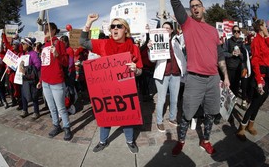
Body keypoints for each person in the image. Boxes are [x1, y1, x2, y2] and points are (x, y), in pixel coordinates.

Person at [169, 0, 230, 156]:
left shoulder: (213, 31)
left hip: (213, 78)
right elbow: (175, 2)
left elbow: (219, 55)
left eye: (198, 5)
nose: (195, 7)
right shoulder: (187, 24)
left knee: (211, 113)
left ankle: (206, 140)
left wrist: (225, 77)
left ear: (203, 8)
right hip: (194, 79)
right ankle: (181, 141)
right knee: (187, 114)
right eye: (192, 5)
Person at [79, 14, 143, 154]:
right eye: (112, 26)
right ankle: (103, 141)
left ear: (125, 30)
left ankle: (130, 141)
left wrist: (135, 69)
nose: (114, 29)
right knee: (106, 116)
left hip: (126, 88)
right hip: (106, 89)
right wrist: (88, 22)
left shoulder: (133, 48)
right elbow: (82, 42)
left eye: (118, 26)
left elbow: (140, 71)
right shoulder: (103, 44)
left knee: (127, 117)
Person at [37, 22, 72, 141]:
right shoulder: (44, 46)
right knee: (51, 108)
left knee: (61, 108)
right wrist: (41, 80)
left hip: (57, 81)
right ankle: (56, 125)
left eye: (48, 29)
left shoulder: (59, 43)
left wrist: (57, 55)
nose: (45, 31)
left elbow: (66, 62)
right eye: (44, 29)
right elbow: (43, 65)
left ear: (54, 31)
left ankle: (67, 127)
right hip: (46, 82)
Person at [148, 21, 186, 132]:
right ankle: (159, 122)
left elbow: (186, 33)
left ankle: (172, 118)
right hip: (162, 75)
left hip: (175, 74)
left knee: (174, 99)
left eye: (168, 28)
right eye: (163, 28)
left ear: (172, 30)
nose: (166, 30)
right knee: (162, 99)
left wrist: (181, 21)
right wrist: (150, 48)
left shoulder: (177, 40)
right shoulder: (155, 40)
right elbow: (152, 59)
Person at [236, 19, 269, 141]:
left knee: (259, 103)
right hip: (261, 76)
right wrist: (259, 80)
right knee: (255, 103)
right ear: (260, 27)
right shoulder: (256, 41)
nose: (267, 27)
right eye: (265, 25)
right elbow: (255, 61)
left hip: (268, 75)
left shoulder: (265, 39)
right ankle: (241, 128)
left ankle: (251, 125)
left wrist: (267, 36)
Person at [19, 37, 41, 120]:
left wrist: (27, 68)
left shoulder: (33, 54)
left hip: (31, 79)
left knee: (34, 95)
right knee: (23, 94)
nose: (22, 45)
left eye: (23, 44)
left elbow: (38, 65)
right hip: (24, 78)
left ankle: (36, 111)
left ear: (28, 45)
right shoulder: (23, 55)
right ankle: (25, 110)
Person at [224, 26, 246, 100]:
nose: (236, 33)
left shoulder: (242, 43)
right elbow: (223, 53)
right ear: (232, 32)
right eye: (235, 31)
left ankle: (233, 103)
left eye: (238, 31)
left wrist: (240, 54)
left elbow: (244, 58)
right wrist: (231, 54)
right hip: (229, 68)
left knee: (236, 87)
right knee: (228, 87)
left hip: (238, 69)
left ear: (240, 32)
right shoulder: (228, 41)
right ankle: (227, 104)